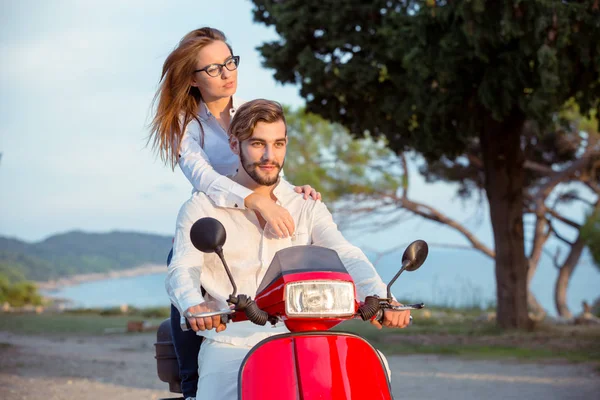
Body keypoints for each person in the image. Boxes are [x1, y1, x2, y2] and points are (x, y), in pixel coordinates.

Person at [166, 99, 411, 400]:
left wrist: (383, 296)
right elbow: (183, 267)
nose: (270, 156)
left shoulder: (305, 204)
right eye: (258, 144)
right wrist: (194, 304)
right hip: (231, 342)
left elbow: (344, 254)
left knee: (372, 375)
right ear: (234, 144)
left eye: (278, 144)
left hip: (303, 336)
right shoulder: (202, 207)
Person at [148, 27, 320, 399]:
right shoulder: (185, 125)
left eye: (230, 62)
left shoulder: (247, 111)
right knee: (188, 297)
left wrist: (294, 191)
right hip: (210, 230)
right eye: (213, 69)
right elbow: (204, 178)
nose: (227, 73)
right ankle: (194, 389)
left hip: (257, 229)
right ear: (193, 80)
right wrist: (254, 201)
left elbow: (267, 165)